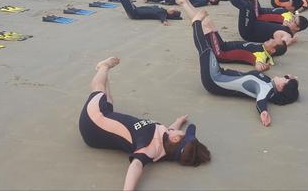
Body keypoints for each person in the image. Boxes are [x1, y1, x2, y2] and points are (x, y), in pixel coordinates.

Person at [79, 57, 210, 190]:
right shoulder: (165, 149)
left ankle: (104, 67)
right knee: (108, 101)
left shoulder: (150, 149)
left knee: (99, 89)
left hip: (93, 120)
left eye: (182, 133)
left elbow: (136, 166)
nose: (180, 130)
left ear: (175, 139)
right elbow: (168, 131)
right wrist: (178, 122)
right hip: (97, 130)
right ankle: (105, 76)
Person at [187, 7, 300, 127]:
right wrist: (292, 79)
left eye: (286, 78)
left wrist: (264, 112)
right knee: (207, 50)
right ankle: (196, 22)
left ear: (281, 86)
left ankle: (196, 22)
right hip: (220, 73)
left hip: (214, 79)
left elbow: (261, 101)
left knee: (205, 49)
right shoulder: (268, 83)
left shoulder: (266, 89)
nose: (285, 76)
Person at [176, 0, 287, 72]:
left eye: (273, 41)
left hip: (220, 52)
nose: (271, 39)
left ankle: (183, 2)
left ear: (272, 50)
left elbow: (258, 63)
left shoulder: (262, 55)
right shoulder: (263, 48)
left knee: (205, 24)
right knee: (207, 20)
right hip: (224, 45)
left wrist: (260, 66)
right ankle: (185, 0)